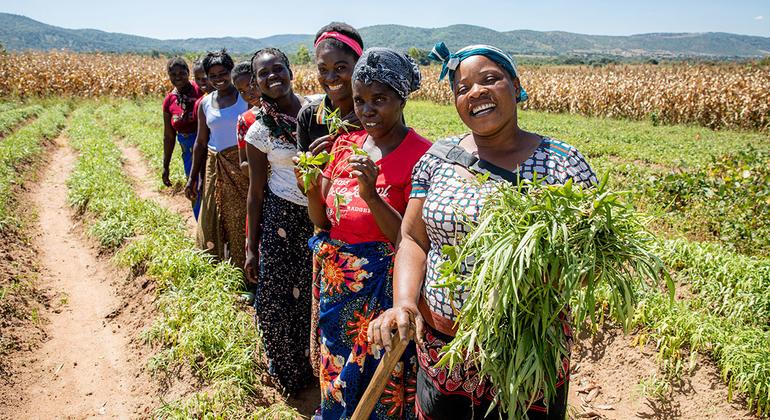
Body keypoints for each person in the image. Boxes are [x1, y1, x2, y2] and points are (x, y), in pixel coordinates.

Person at [367, 43, 597, 420]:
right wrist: (405, 302)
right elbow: (412, 239)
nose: (475, 92)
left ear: (516, 85)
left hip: (527, 349)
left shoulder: (563, 163)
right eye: (462, 88)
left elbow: (588, 262)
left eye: (490, 79)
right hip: (444, 349)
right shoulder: (437, 159)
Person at [299, 47, 429, 419]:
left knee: (378, 385)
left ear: (401, 100)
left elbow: (411, 239)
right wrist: (309, 185)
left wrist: (371, 195)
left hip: (383, 295)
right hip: (337, 290)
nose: (367, 110)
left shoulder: (422, 156)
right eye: (359, 100)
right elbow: (323, 221)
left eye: (379, 99)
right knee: (336, 374)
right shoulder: (345, 145)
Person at [295, 21, 364, 382]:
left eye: (341, 67)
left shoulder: (372, 109)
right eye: (323, 69)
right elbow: (307, 182)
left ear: (359, 65)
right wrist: (315, 163)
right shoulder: (311, 116)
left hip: (369, 238)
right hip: (329, 233)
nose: (331, 76)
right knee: (332, 328)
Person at [243, 48, 314, 394]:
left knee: (311, 297)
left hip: (319, 216)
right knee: (274, 300)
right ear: (255, 82)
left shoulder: (317, 112)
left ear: (290, 70)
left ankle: (315, 366)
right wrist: (250, 248)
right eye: (262, 73)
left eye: (277, 69)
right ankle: (288, 371)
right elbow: (255, 194)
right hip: (280, 218)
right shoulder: (259, 132)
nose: (272, 77)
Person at [185, 49, 249, 270]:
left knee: (240, 217)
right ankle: (216, 267)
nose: (219, 79)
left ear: (231, 71)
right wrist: (192, 178)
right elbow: (201, 142)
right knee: (212, 214)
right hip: (215, 164)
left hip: (241, 165)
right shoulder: (205, 103)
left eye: (223, 73)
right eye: (213, 76)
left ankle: (243, 270)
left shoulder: (245, 98)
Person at [161, 57, 203, 218]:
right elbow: (169, 136)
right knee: (193, 188)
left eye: (181, 73)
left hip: (205, 147)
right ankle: (202, 230)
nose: (177, 77)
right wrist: (166, 166)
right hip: (187, 151)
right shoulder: (169, 100)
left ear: (188, 72)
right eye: (173, 74)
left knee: (207, 187)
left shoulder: (200, 91)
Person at [233, 61, 262, 175]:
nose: (248, 94)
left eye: (252, 85)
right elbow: (244, 162)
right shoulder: (245, 121)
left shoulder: (288, 109)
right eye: (242, 91)